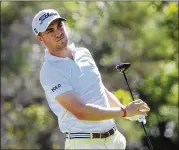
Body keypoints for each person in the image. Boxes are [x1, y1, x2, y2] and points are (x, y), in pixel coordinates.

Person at [32, 9, 150, 149]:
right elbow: (80, 111)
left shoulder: (84, 53)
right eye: (50, 31)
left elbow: (101, 91)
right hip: (84, 143)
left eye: (59, 26)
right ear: (41, 38)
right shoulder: (49, 71)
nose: (58, 33)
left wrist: (126, 111)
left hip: (114, 140)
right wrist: (123, 112)